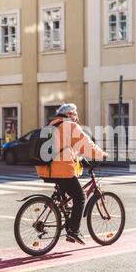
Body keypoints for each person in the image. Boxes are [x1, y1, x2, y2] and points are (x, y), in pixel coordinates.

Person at [36, 103, 108, 245]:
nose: (77, 118)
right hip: (60, 170)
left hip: (45, 169)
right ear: (69, 114)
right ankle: (73, 231)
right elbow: (86, 144)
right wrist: (101, 154)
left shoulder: (51, 125)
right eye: (75, 114)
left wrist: (80, 159)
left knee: (65, 200)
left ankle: (67, 223)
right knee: (80, 197)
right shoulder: (69, 126)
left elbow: (66, 149)